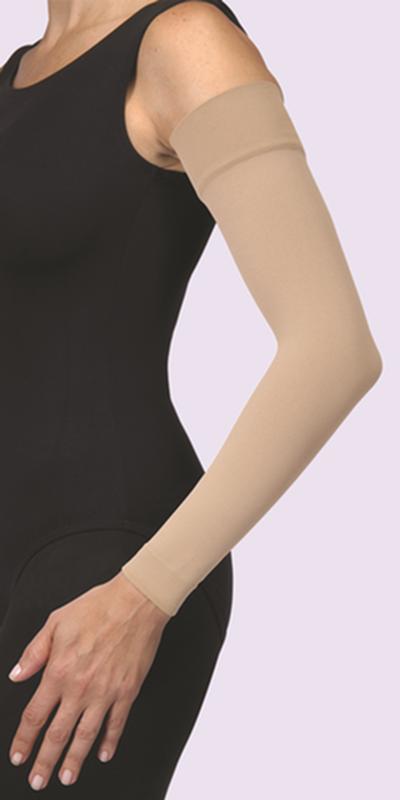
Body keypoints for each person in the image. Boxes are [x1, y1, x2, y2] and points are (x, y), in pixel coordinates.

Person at [0, 0, 382, 795]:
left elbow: (333, 347)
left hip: (101, 570)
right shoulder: (17, 72)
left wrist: (144, 594)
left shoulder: (185, 43)